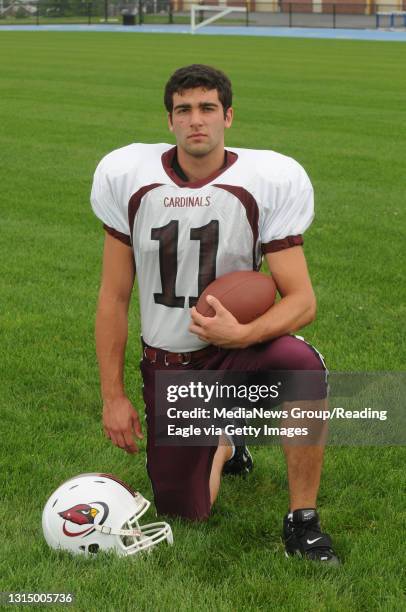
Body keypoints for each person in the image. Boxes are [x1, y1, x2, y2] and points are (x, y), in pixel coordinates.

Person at [90, 64, 340, 565]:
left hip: (237, 349)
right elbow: (114, 298)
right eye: (184, 110)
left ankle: (303, 522)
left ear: (228, 116)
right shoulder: (129, 178)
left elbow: (302, 301)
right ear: (170, 121)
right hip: (172, 366)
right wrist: (113, 396)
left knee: (302, 368)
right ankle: (227, 442)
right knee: (186, 512)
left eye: (207, 108)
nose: (195, 120)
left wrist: (243, 331)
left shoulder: (264, 180)